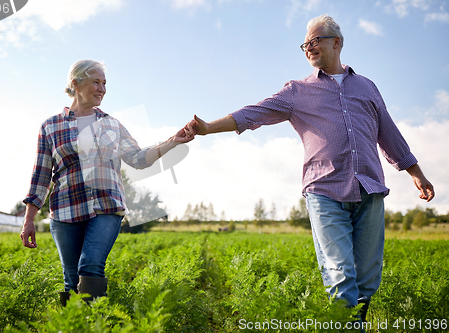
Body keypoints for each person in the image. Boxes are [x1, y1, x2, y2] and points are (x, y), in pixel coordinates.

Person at [184, 14, 434, 325]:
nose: (309, 48)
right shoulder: (297, 92)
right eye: (305, 44)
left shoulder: (367, 87)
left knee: (367, 279)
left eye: (315, 41)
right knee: (342, 277)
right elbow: (254, 113)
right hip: (324, 191)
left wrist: (416, 173)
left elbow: (389, 132)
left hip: (369, 189)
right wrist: (208, 127)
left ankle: (355, 322)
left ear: (337, 43)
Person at [20, 59, 193, 305]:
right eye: (96, 82)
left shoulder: (111, 124)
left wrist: (173, 141)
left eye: (104, 83)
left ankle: (96, 323)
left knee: (90, 265)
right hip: (65, 210)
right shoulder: (50, 126)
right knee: (71, 280)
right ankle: (75, 326)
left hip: (106, 207)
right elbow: (41, 176)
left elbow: (138, 158)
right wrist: (28, 220)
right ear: (76, 84)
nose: (102, 89)